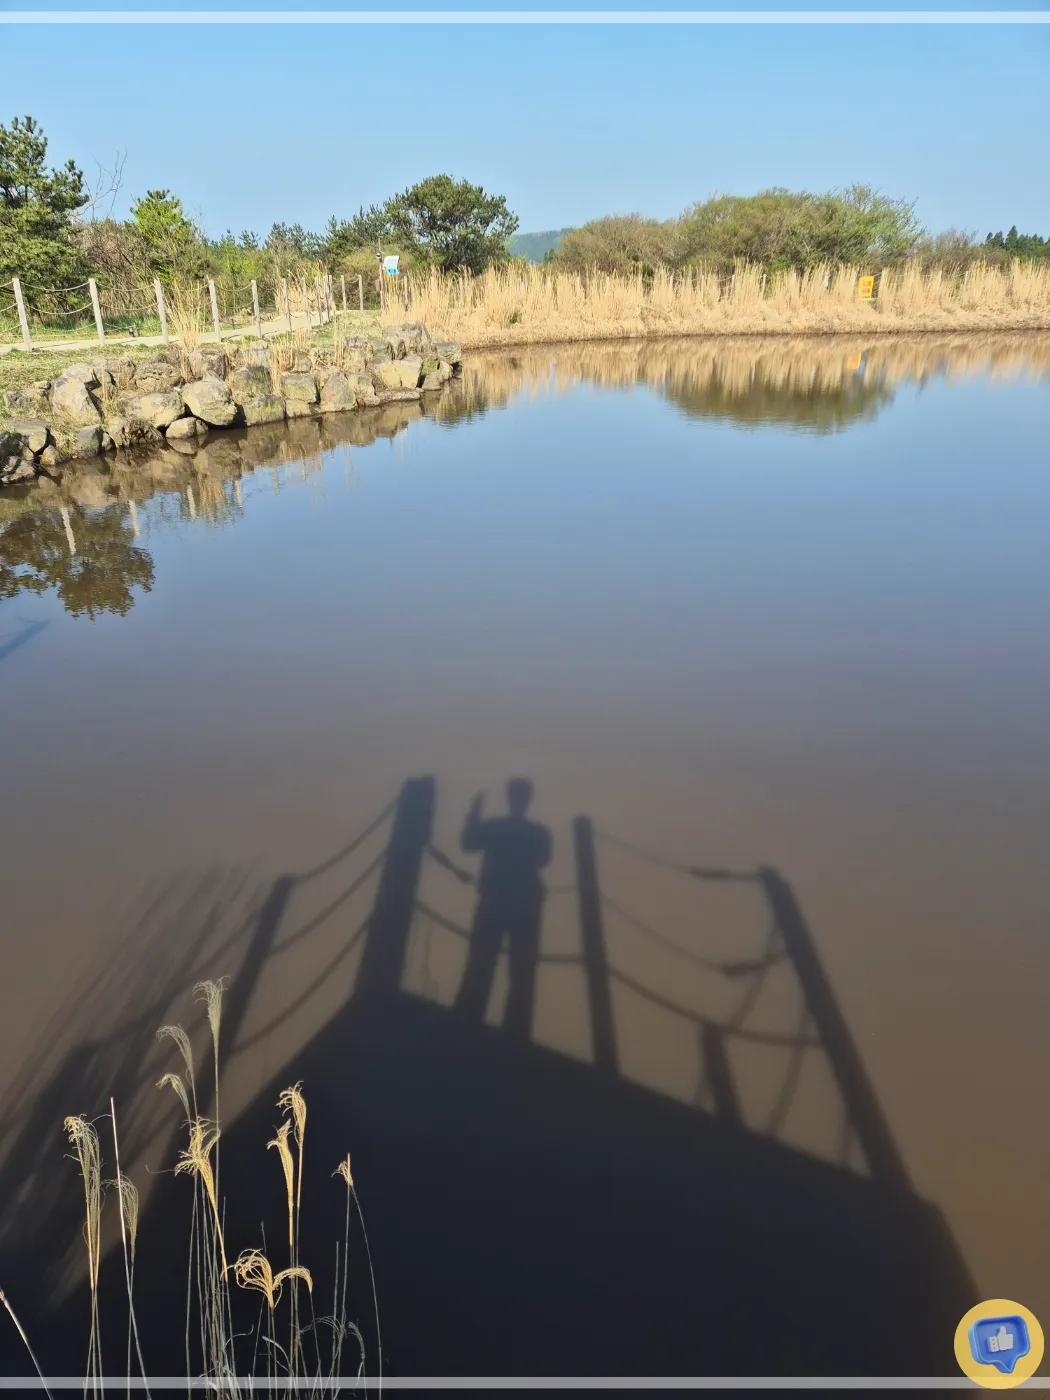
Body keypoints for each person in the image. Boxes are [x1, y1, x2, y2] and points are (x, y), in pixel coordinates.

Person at [454, 779, 552, 1038]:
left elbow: (468, 842)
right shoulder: (537, 833)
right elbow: (544, 858)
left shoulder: (498, 828)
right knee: (517, 968)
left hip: (499, 903)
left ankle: (469, 1018)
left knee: (487, 962)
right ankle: (514, 1029)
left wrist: (474, 815)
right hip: (522, 906)